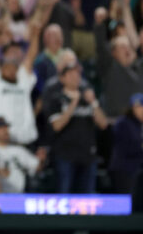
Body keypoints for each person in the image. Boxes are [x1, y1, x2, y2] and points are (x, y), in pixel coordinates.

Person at [43, 61, 109, 193]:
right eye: (71, 74)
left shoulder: (88, 100)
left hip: (87, 156)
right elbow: (57, 126)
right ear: (62, 78)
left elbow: (103, 124)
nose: (76, 77)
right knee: (64, 196)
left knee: (87, 199)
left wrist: (93, 102)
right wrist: (74, 103)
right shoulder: (56, 98)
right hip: (65, 156)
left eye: (78, 74)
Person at [0, 117, 42, 193]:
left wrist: (42, 159)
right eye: (1, 127)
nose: (5, 130)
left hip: (19, 195)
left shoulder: (18, 150)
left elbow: (36, 165)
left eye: (6, 127)